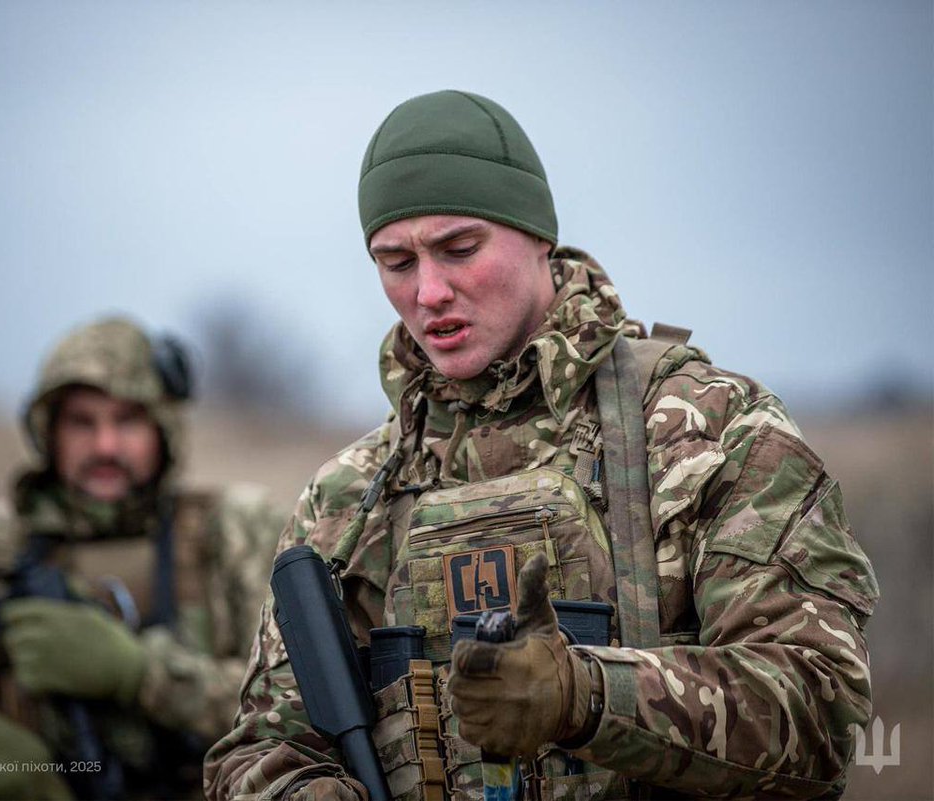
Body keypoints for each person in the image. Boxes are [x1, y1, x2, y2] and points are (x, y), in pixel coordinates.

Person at [203, 91, 878, 801]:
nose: (429, 290)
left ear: (537, 236)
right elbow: (259, 750)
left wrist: (587, 695)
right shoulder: (347, 501)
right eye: (395, 262)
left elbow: (820, 711)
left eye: (460, 248)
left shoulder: (707, 432)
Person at [0, 316, 284, 800]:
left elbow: (296, 712)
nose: (105, 446)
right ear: (48, 431)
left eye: (128, 420)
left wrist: (143, 675)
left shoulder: (236, 534)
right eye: (82, 421)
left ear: (165, 430)